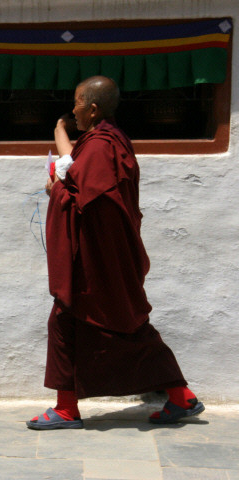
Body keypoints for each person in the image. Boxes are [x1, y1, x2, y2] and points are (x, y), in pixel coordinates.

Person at [27, 76, 204, 430]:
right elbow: (87, 186)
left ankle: (66, 409)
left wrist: (56, 190)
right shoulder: (106, 141)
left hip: (97, 259)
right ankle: (181, 396)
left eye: (77, 102)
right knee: (127, 326)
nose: (74, 108)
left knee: (67, 320)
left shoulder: (99, 147)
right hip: (107, 256)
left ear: (92, 108)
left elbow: (91, 204)